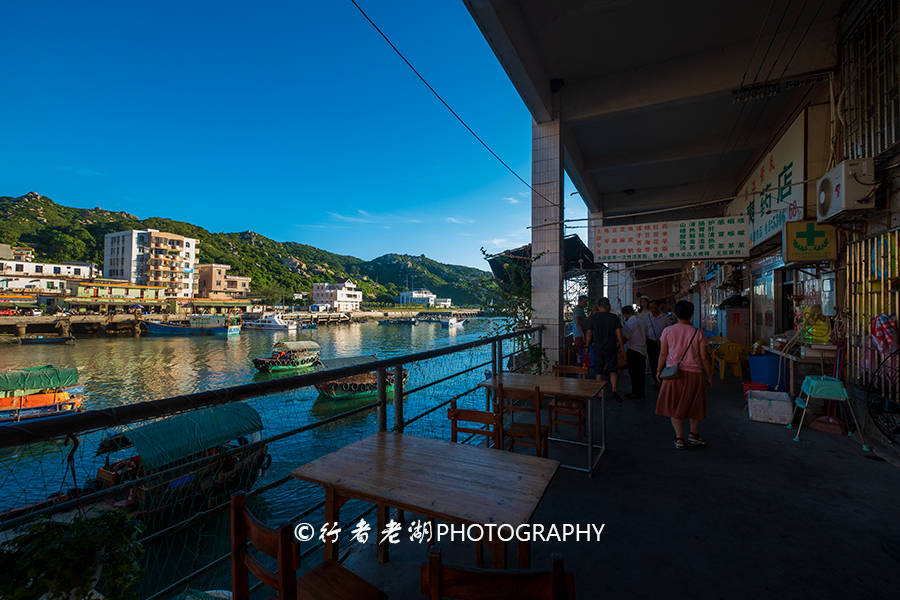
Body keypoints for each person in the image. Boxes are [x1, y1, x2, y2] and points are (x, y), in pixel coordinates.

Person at [654, 300, 713, 450]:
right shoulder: (698, 332)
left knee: (674, 406)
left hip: (673, 374)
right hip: (695, 375)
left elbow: (663, 354)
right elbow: (704, 357)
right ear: (692, 315)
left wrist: (658, 371)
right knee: (695, 406)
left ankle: (679, 438)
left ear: (675, 314)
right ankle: (693, 435)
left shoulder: (667, 331)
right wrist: (709, 375)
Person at [585, 297, 625, 401]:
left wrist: (587, 347)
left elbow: (589, 334)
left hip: (597, 347)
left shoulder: (593, 318)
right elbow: (619, 334)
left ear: (598, 307)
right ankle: (614, 390)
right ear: (609, 306)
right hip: (611, 347)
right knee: (613, 369)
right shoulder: (614, 317)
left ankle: (599, 393)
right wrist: (622, 347)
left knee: (598, 370)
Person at [621, 305, 648, 399]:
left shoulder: (629, 324)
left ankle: (636, 392)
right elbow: (647, 334)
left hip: (633, 349)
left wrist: (619, 346)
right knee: (641, 373)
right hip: (643, 349)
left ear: (625, 314)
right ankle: (641, 391)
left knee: (634, 373)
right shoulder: (642, 321)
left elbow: (625, 337)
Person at [644, 299, 671, 380]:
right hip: (651, 342)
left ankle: (663, 377)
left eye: (655, 307)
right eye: (651, 308)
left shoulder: (665, 318)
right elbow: (644, 330)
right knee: (653, 361)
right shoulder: (646, 318)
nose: (653, 309)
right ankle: (655, 379)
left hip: (663, 342)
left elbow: (669, 330)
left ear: (658, 307)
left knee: (663, 360)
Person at [572, 295, 590, 368]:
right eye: (584, 302)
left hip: (579, 335)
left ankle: (581, 369)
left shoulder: (581, 310)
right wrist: (583, 335)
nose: (586, 304)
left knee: (581, 352)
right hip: (579, 335)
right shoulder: (578, 310)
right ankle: (580, 370)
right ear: (579, 301)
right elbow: (578, 323)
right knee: (580, 353)